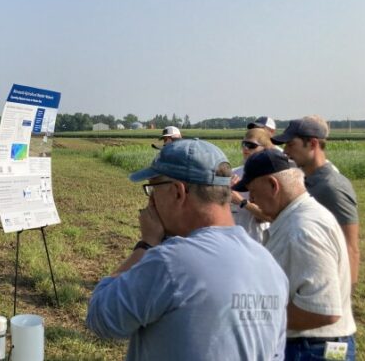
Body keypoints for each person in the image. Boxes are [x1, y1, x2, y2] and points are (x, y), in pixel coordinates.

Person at [86, 139, 288, 360]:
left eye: (153, 188)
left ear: (178, 192)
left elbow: (101, 318)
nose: (151, 201)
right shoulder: (270, 266)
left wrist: (146, 244)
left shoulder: (171, 262)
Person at [233, 149, 356, 360]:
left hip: (311, 349)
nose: (251, 198)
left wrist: (255, 317)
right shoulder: (297, 218)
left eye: (252, 191)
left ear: (273, 185)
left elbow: (323, 310)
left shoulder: (302, 230)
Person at [271, 115, 359, 285]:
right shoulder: (303, 180)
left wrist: (345, 296)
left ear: (312, 144)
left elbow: (351, 248)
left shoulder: (332, 188)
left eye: (290, 144)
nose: (285, 151)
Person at [231, 128, 274, 243]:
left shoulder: (269, 178)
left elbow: (266, 217)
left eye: (251, 145)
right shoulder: (233, 173)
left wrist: (241, 201)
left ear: (264, 149)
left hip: (256, 241)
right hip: (234, 240)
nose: (245, 148)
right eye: (244, 144)